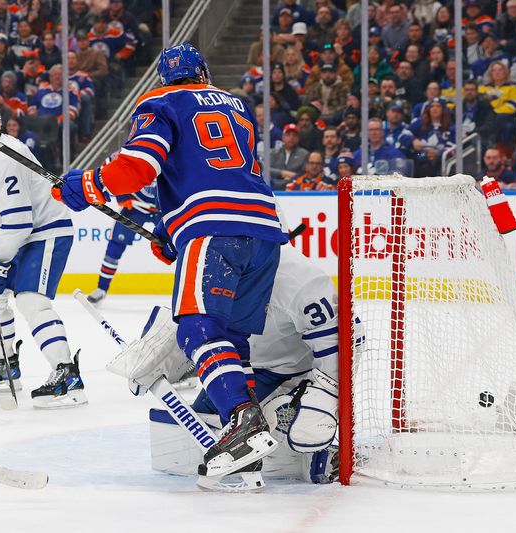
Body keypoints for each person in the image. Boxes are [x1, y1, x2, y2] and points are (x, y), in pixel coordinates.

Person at [52, 42, 288, 477]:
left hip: (213, 228)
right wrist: (170, 226)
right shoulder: (237, 105)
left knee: (197, 329)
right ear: (204, 71)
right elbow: (216, 169)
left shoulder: (160, 101)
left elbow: (138, 168)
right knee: (233, 339)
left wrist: (86, 185)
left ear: (164, 78)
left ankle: (243, 419)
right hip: (264, 230)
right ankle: (246, 439)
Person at [141, 242, 340, 488]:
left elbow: (341, 339)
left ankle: (314, 446)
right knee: (192, 441)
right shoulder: (215, 262)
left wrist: (327, 394)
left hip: (295, 374)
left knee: (293, 434)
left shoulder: (300, 281)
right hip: (245, 364)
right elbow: (203, 324)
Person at [0, 96, 84, 410]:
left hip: (44, 231)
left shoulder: (7, 156)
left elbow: (18, 223)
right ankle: (6, 365)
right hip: (21, 234)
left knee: (31, 300)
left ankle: (67, 374)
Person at [86, 186, 160, 305]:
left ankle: (189, 293)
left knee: (180, 246)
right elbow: (117, 168)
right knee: (115, 247)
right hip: (135, 207)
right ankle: (101, 288)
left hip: (164, 208)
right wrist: (123, 195)